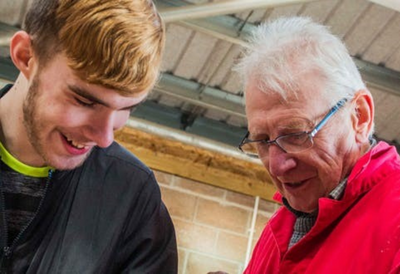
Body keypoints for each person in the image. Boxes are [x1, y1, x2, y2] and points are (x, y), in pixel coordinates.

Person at [0, 0, 177, 273]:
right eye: (84, 101)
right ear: (25, 56)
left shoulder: (133, 197)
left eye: (126, 108)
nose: (105, 138)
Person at [236, 16, 400, 273]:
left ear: (360, 116)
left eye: (296, 134)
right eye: (263, 141)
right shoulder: (281, 229)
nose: (278, 165)